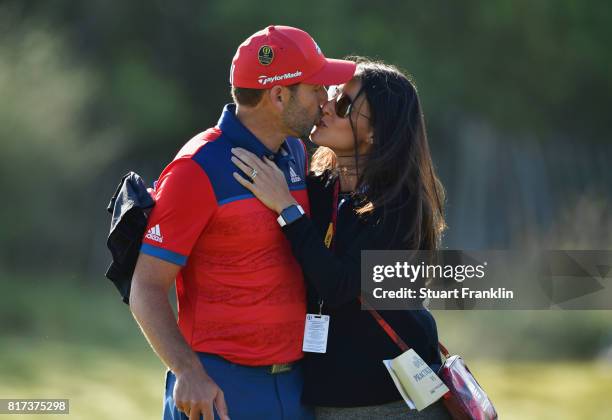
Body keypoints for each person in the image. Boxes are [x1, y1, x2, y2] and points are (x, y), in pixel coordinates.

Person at [129, 25, 356, 420]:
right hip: (219, 388)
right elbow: (146, 287)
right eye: (315, 87)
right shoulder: (196, 168)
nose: (326, 98)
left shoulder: (296, 155)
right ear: (279, 94)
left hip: (295, 385)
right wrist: (187, 371)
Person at [231, 58, 451, 419]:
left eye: (345, 104)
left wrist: (287, 208)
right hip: (330, 396)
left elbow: (339, 286)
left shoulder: (400, 202)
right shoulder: (320, 183)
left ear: (376, 132)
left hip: (393, 402)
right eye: (332, 95)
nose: (326, 106)